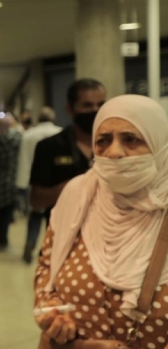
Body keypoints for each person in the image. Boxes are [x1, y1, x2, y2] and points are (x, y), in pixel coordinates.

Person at [34, 94, 168, 348]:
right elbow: (47, 265)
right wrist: (52, 311)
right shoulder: (78, 195)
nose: (114, 152)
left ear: (159, 142)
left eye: (131, 139)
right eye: (103, 140)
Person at [22, 79, 106, 264]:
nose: (95, 110)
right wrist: (78, 186)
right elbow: (36, 199)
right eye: (87, 105)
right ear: (70, 109)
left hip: (108, 243)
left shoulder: (114, 146)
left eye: (101, 104)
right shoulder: (49, 147)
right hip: (63, 243)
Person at [15, 107, 62, 216]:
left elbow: (24, 159)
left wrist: (22, 183)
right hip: (57, 181)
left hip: (34, 180)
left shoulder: (28, 135)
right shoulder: (60, 133)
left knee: (35, 215)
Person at [0, 113, 21, 251]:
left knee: (1, 213)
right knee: (6, 213)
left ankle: (2, 241)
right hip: (12, 179)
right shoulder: (15, 140)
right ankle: (4, 241)